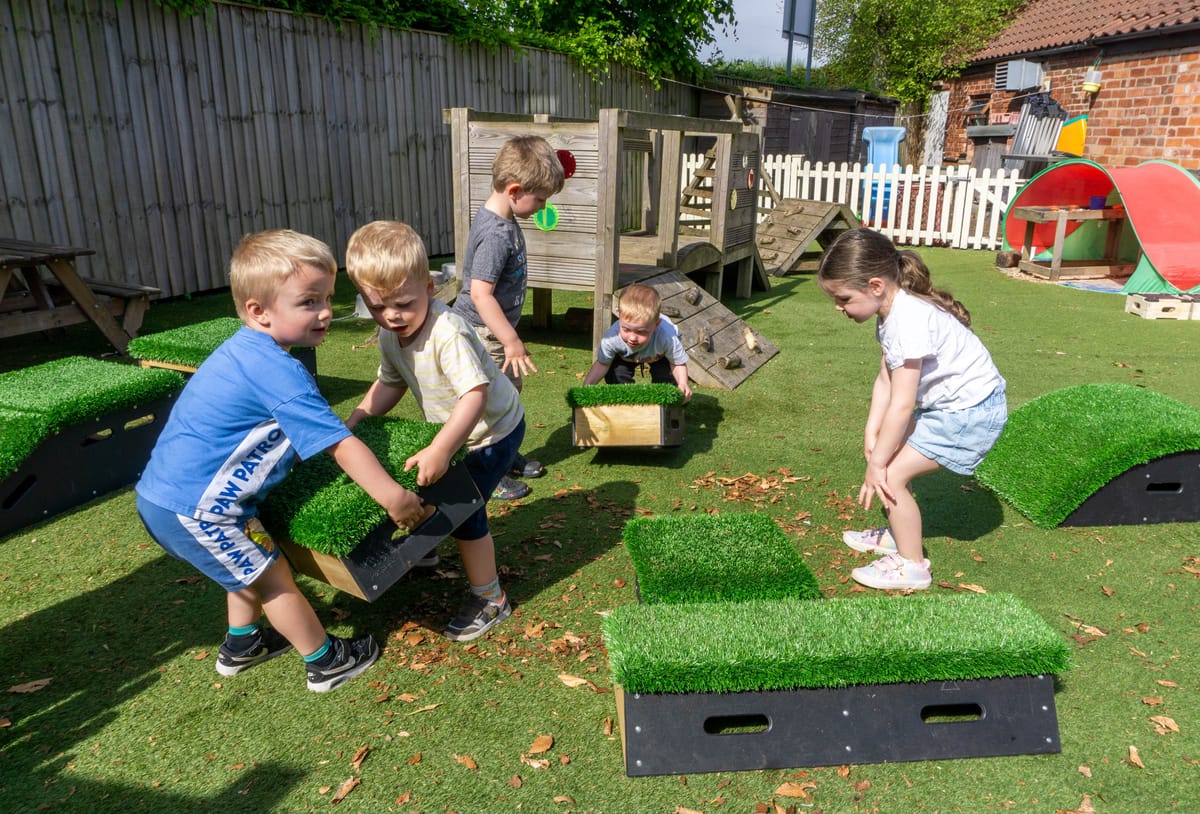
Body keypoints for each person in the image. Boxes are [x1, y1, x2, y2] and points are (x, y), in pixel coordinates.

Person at [136, 229, 426, 692]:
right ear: (259, 311)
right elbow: (340, 444)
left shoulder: (245, 350)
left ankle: (243, 643)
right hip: (197, 511)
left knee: (245, 569)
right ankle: (326, 660)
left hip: (176, 501)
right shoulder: (278, 371)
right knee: (274, 579)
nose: (326, 311)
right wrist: (394, 497)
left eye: (329, 297)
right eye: (309, 301)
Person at [345, 220, 524, 642]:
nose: (391, 316)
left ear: (429, 287)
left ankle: (491, 599)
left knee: (465, 512)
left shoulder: (447, 332)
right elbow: (391, 382)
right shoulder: (391, 333)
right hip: (457, 433)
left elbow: (475, 395)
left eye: (403, 303)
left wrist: (442, 448)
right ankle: (424, 548)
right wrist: (355, 419)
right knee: (427, 485)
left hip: (491, 433)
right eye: (377, 307)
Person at [817, 227, 1007, 591]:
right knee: (887, 463)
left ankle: (912, 566)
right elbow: (886, 379)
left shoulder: (908, 320)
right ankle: (901, 535)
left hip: (971, 414)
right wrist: (872, 430)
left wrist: (876, 464)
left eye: (843, 298)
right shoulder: (890, 311)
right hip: (955, 407)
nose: (839, 308)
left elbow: (903, 403)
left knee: (889, 476)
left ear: (875, 285)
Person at [453, 134, 565, 500]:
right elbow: (480, 293)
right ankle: (488, 471)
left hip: (496, 332)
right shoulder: (497, 234)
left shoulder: (500, 218)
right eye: (540, 200)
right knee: (489, 406)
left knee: (509, 396)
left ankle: (506, 453)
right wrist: (511, 341)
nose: (541, 207)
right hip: (486, 333)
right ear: (515, 190)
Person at [582, 283, 693, 402]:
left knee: (666, 381)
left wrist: (683, 383)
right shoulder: (611, 338)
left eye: (641, 332)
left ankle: (663, 410)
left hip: (660, 356)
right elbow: (603, 364)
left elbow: (677, 362)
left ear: (656, 325)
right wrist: (587, 386)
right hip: (624, 357)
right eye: (626, 329)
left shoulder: (667, 337)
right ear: (619, 315)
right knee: (616, 374)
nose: (633, 338)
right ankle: (627, 402)